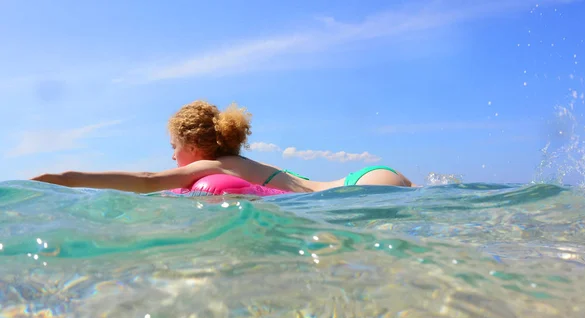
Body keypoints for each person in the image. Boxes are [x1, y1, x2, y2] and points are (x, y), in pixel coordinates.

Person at [31, 100, 415, 193]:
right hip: (371, 177)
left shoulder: (208, 167)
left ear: (195, 146)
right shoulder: (241, 161)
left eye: (174, 146)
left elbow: (147, 180)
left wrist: (62, 178)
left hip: (360, 190)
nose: (172, 157)